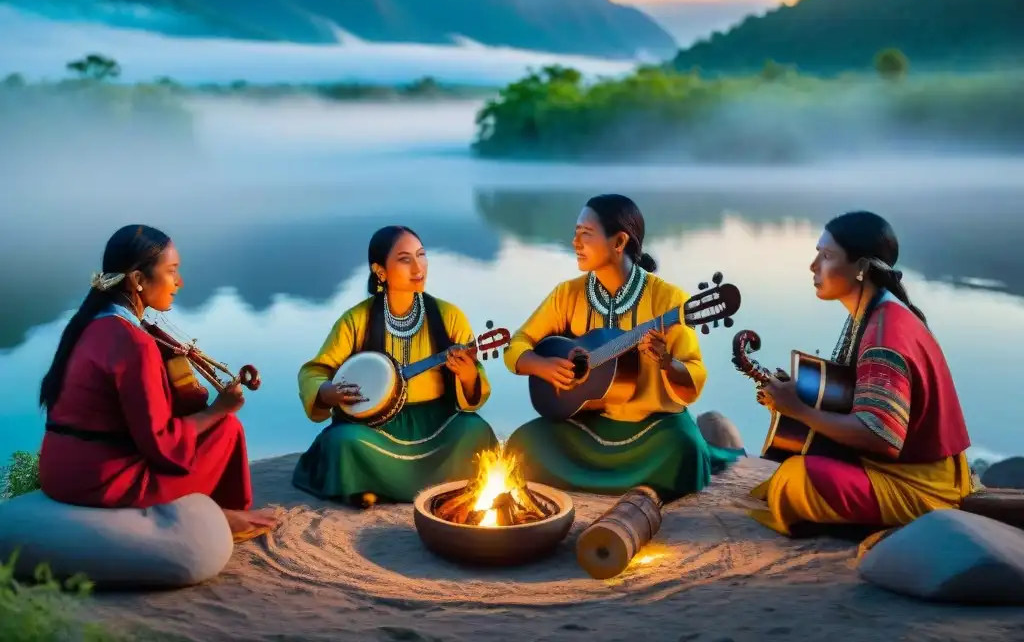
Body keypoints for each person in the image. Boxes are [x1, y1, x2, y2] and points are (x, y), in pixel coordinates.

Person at [37, 225, 282, 543]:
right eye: (172, 271)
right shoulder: (133, 343)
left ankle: (221, 512)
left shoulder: (89, 322)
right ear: (138, 280)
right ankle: (220, 516)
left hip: (58, 470)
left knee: (216, 426)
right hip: (98, 481)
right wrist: (219, 409)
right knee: (227, 429)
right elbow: (162, 446)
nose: (179, 282)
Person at [502, 194, 744, 503]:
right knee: (523, 444)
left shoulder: (669, 300)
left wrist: (667, 362)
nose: (575, 242)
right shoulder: (567, 294)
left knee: (686, 449)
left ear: (619, 242)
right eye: (575, 233)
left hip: (651, 431)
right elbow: (516, 345)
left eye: (585, 235)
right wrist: (541, 365)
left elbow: (693, 374)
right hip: (586, 425)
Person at [750, 211, 974, 536]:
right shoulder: (876, 313)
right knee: (786, 470)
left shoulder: (885, 334)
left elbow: (881, 436)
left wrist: (798, 410)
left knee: (796, 478)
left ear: (861, 268)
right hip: (907, 469)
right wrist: (794, 397)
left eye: (826, 256)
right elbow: (856, 398)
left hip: (921, 485)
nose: (813, 266)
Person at [292, 225, 498, 506]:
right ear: (380, 271)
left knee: (475, 431)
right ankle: (406, 483)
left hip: (436, 423)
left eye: (422, 255)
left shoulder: (449, 316)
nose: (418, 267)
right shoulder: (356, 320)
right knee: (342, 441)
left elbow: (475, 385)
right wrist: (326, 392)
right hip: (373, 428)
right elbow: (315, 371)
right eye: (405, 259)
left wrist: (467, 375)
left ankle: (371, 484)